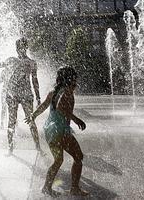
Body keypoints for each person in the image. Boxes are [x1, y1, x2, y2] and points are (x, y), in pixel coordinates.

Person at [27, 67, 88, 197]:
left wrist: (33, 115)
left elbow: (43, 105)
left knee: (58, 160)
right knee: (78, 157)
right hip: (61, 130)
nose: (76, 79)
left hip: (51, 130)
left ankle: (46, 187)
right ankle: (74, 188)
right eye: (74, 76)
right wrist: (76, 120)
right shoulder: (66, 91)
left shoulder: (54, 91)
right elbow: (60, 107)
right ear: (70, 78)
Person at [0, 38, 42, 154]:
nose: (20, 50)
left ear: (26, 48)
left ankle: (38, 147)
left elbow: (35, 81)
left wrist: (38, 97)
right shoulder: (11, 60)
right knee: (12, 121)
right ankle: (10, 148)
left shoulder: (31, 63)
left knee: (31, 121)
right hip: (13, 95)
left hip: (25, 95)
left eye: (22, 47)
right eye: (18, 47)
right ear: (16, 48)